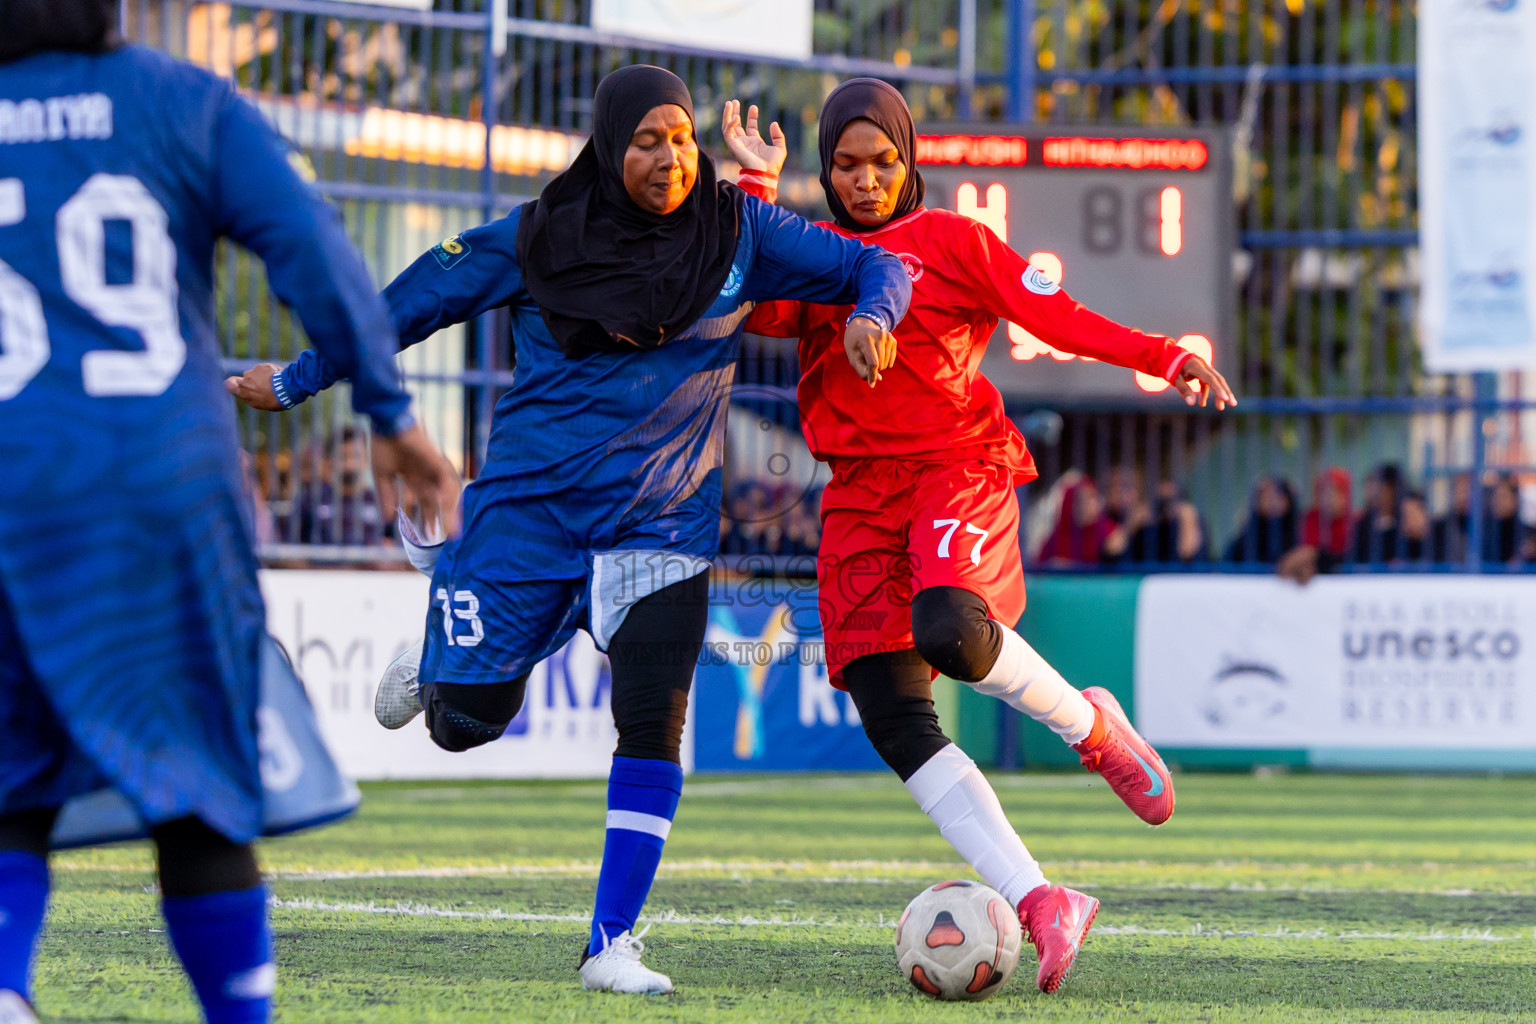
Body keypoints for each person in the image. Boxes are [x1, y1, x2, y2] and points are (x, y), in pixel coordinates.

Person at [227, 65, 911, 994]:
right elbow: (403, 307)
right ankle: (441, 659)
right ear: (608, 146)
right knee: (466, 726)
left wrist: (874, 313)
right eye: (647, 142)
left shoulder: (740, 231)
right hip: (530, 519)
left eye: (682, 138)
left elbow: (874, 262)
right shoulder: (536, 236)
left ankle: (609, 943)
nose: (670, 158)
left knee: (654, 720)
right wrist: (297, 379)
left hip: (663, 524)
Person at [722, 79, 1235, 993]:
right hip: (857, 495)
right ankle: (1041, 900)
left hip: (955, 467)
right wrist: (756, 185)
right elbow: (751, 304)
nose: (867, 181)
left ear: (910, 160)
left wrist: (1163, 355)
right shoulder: (816, 252)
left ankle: (1092, 730)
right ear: (826, 169)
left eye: (884, 162)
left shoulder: (955, 241)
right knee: (890, 715)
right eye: (847, 165)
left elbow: (1057, 318)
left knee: (951, 631)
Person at [0, 5, 460, 1023]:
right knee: (198, 785)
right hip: (156, 487)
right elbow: (312, 248)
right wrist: (390, 411)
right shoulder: (181, 101)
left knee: (5, 782)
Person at [1103, 478, 1207, 565]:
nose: (1165, 506)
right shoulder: (1146, 526)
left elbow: (1188, 554)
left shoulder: (1190, 521)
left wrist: (1188, 521)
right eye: (1160, 500)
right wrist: (1131, 524)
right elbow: (1111, 550)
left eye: (1170, 499)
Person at [1037, 473, 1117, 565]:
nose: (1087, 505)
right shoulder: (1057, 538)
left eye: (1092, 498)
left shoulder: (1109, 531)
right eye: (1080, 501)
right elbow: (1039, 565)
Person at [1225, 475, 1298, 564]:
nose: (1272, 502)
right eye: (1267, 496)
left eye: (1278, 496)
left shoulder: (1297, 530)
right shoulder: (1250, 534)